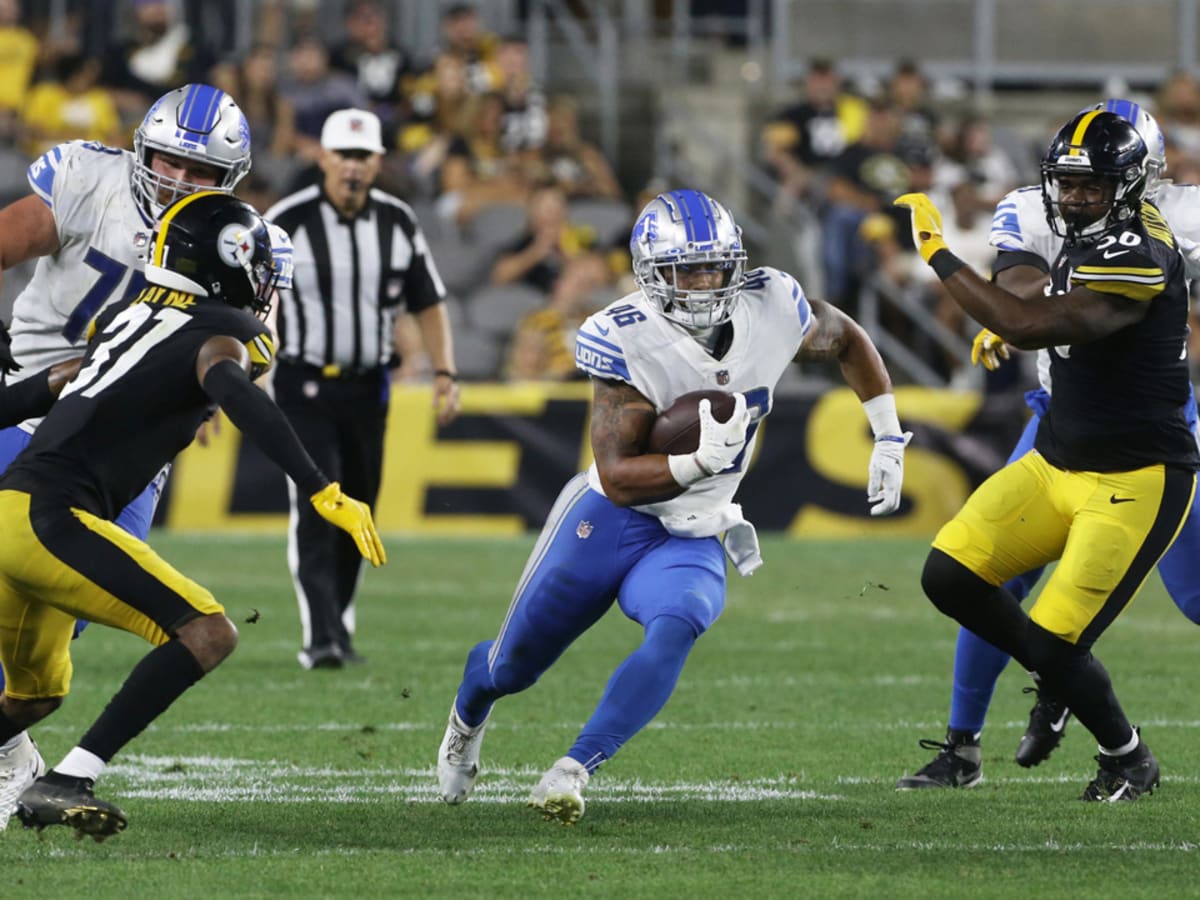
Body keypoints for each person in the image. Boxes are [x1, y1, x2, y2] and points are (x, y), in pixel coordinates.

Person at [436, 188, 912, 824]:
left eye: (715, 266)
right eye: (687, 269)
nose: (704, 282)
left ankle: (573, 769)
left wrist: (886, 432)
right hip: (607, 520)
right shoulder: (624, 335)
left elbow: (847, 338)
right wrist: (693, 462)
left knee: (680, 620)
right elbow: (616, 474)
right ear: (651, 273)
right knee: (511, 666)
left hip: (692, 529)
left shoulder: (771, 303)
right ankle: (468, 714)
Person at [1, 191, 384, 841]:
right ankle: (68, 778)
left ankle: (55, 777)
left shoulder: (127, 311)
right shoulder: (222, 331)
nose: (265, 286)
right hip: (51, 518)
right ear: (231, 260)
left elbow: (59, 379)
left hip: (13, 508)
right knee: (208, 631)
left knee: (36, 696)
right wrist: (321, 488)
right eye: (260, 269)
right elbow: (229, 383)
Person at [895, 109, 1197, 802]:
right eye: (1065, 183)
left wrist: (939, 254)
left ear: (1132, 185)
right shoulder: (1070, 223)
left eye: (1090, 187)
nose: (1072, 197)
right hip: (1058, 454)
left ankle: (1126, 754)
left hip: (1138, 473)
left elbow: (1027, 322)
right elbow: (1027, 297)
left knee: (1069, 638)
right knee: (950, 575)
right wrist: (1011, 312)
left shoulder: (1140, 245)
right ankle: (1047, 691)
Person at [0, 82, 254, 829]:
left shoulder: (240, 239)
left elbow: (234, 346)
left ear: (229, 182)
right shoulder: (88, 180)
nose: (177, 180)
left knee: (64, 615)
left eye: (199, 172)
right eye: (168, 161)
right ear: (141, 150)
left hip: (120, 442)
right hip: (31, 399)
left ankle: (12, 744)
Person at [265, 108, 460, 670]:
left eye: (364, 156)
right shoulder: (289, 221)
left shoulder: (397, 222)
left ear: (378, 161)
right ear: (322, 157)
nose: (353, 166)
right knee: (322, 502)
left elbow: (428, 300)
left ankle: (338, 624)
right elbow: (253, 303)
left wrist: (445, 373)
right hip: (304, 385)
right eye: (344, 155)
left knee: (362, 506)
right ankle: (321, 634)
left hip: (370, 388)